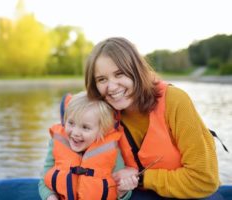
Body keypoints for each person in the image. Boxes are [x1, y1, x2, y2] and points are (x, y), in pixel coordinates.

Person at [84, 37, 223, 199]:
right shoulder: (100, 113)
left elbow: (205, 181)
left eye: (119, 74)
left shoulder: (175, 100)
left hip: (192, 194)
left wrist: (142, 178)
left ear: (136, 71)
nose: (112, 87)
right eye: (102, 79)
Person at [38, 91, 138, 200]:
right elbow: (44, 181)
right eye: (71, 123)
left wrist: (123, 192)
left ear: (102, 131)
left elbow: (121, 195)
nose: (75, 133)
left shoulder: (112, 151)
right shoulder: (56, 143)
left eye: (85, 127)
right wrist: (50, 197)